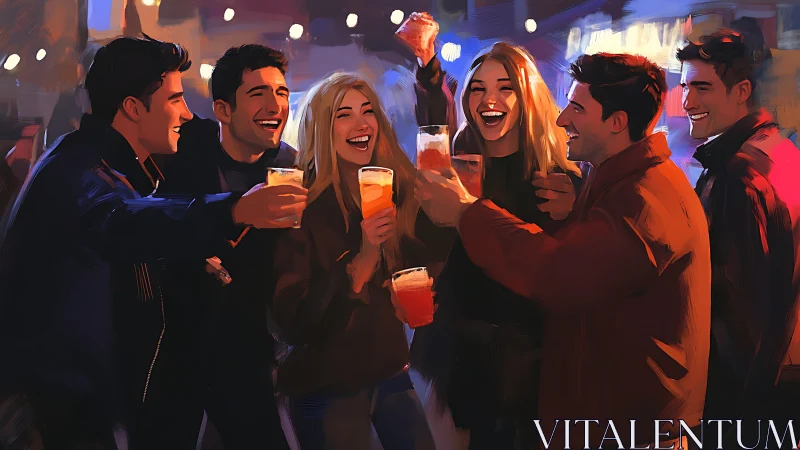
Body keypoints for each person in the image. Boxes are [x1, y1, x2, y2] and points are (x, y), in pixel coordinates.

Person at [0, 35, 306, 449]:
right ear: (132, 108)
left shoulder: (113, 166)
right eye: (175, 100)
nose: (186, 114)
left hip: (90, 396)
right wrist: (234, 211)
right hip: (56, 404)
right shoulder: (82, 171)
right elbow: (123, 225)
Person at [416, 52, 711, 448]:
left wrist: (469, 213)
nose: (562, 118)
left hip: (626, 425)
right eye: (478, 88)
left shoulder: (642, 198)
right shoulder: (611, 181)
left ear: (617, 122)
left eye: (577, 107)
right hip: (565, 404)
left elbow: (560, 273)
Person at [399, 14, 583, 448]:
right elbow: (433, 132)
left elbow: (562, 271)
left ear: (527, 99)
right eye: (478, 88)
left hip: (529, 369)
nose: (489, 99)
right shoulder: (461, 166)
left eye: (505, 88)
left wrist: (578, 202)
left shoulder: (554, 179)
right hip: (462, 364)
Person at [271, 72, 453, 450]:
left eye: (367, 111)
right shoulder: (297, 204)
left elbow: (428, 256)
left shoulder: (392, 186)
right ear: (322, 127)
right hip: (326, 384)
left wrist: (422, 287)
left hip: (388, 370)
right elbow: (294, 323)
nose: (361, 123)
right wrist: (360, 263)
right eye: (344, 114)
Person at [154, 44, 297, 449]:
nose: (275, 105)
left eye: (282, 92)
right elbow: (157, 236)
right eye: (258, 93)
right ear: (223, 110)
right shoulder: (181, 163)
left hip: (259, 357)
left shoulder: (291, 168)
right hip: (185, 357)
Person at [678, 30, 800, 441]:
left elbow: (738, 315)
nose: (687, 102)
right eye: (684, 86)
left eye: (701, 87)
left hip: (750, 400)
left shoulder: (737, 175)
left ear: (742, 90)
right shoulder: (780, 152)